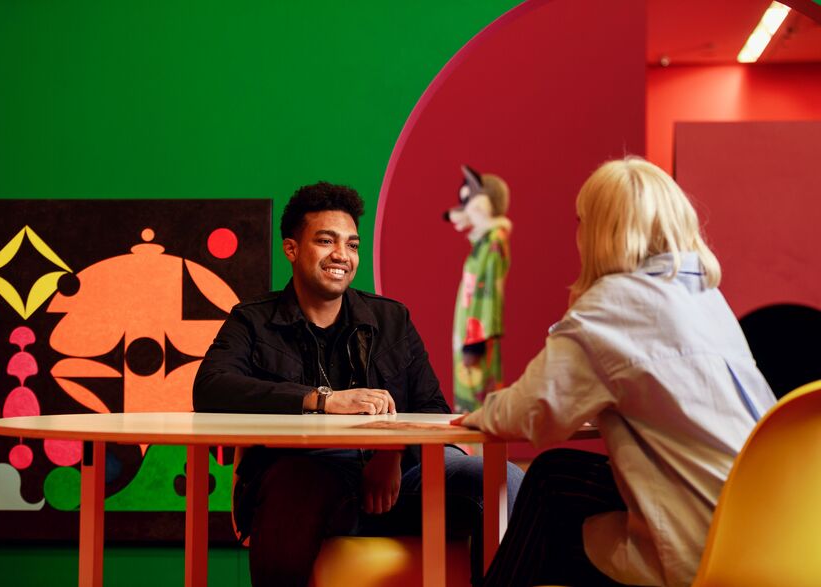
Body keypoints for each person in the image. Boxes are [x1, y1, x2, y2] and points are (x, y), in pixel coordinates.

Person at [455, 157, 776, 587]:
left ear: (599, 230)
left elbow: (529, 412)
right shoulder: (704, 298)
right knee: (554, 479)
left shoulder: (612, 305)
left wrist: (480, 411)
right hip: (761, 526)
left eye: (581, 221)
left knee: (548, 499)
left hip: (700, 543)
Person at [193, 181, 523, 587]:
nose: (342, 256)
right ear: (291, 249)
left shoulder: (391, 320)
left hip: (401, 481)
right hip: (307, 482)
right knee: (296, 483)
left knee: (501, 479)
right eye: (326, 241)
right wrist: (320, 400)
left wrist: (392, 455)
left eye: (352, 245)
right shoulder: (253, 321)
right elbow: (210, 387)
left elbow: (434, 411)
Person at [444, 165, 512, 413]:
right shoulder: (484, 242)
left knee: (477, 404)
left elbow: (488, 295)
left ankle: (477, 453)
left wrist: (475, 343)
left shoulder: (494, 242)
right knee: (469, 401)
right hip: (469, 335)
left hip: (477, 339)